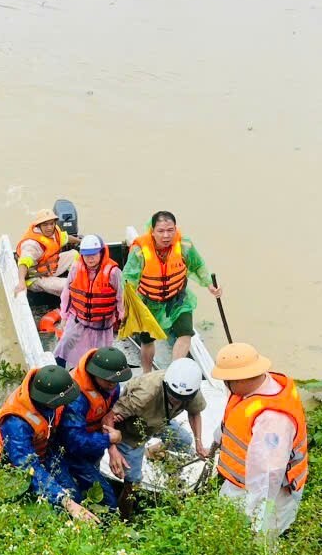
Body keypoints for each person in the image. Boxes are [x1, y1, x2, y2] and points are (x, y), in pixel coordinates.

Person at [210, 343, 308, 538]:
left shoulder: (272, 420)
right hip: (239, 484)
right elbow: (231, 423)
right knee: (226, 531)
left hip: (270, 496)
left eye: (226, 380)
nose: (224, 385)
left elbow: (268, 475)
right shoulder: (248, 392)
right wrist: (212, 445)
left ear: (240, 380)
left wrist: (256, 517)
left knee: (261, 546)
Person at [102, 357, 208, 519]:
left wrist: (199, 444)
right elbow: (108, 418)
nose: (177, 400)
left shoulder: (190, 390)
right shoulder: (145, 394)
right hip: (132, 432)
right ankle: (124, 519)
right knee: (133, 482)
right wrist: (113, 450)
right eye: (173, 396)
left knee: (184, 441)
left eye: (182, 399)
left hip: (160, 421)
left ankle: (152, 452)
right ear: (166, 386)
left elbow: (194, 412)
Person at [0, 364, 100, 524]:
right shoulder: (16, 422)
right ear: (48, 401)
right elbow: (28, 466)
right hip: (13, 466)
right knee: (58, 507)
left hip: (45, 451)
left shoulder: (52, 398)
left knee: (74, 495)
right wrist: (67, 503)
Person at [122, 211, 221, 372]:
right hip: (149, 302)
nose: (166, 235)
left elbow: (198, 265)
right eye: (161, 231)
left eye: (170, 230)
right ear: (152, 231)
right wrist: (127, 305)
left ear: (176, 229)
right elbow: (128, 278)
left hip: (178, 300)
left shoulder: (184, 245)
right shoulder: (140, 251)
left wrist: (209, 284)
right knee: (147, 341)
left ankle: (175, 371)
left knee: (185, 333)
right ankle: (147, 374)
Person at [53, 347, 132, 511]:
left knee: (93, 485)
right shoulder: (76, 397)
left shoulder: (112, 386)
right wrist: (109, 440)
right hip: (67, 451)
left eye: (115, 380)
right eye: (108, 379)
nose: (113, 383)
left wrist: (112, 448)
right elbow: (74, 441)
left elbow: (109, 414)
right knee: (103, 499)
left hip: (94, 444)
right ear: (94, 373)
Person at [53, 235, 125, 368]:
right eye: (86, 255)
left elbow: (121, 297)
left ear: (101, 252)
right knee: (64, 346)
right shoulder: (76, 268)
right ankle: (59, 372)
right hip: (78, 319)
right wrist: (64, 317)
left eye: (93, 254)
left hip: (102, 324)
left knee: (100, 357)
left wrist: (122, 317)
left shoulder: (113, 272)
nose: (90, 258)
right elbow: (67, 294)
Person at [13, 209, 80, 296]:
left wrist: (81, 241)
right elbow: (23, 263)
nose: (49, 227)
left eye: (51, 224)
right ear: (38, 226)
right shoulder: (32, 244)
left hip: (50, 267)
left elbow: (66, 238)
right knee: (67, 285)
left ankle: (80, 277)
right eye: (45, 225)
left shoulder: (54, 232)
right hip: (35, 277)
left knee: (74, 254)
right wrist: (21, 282)